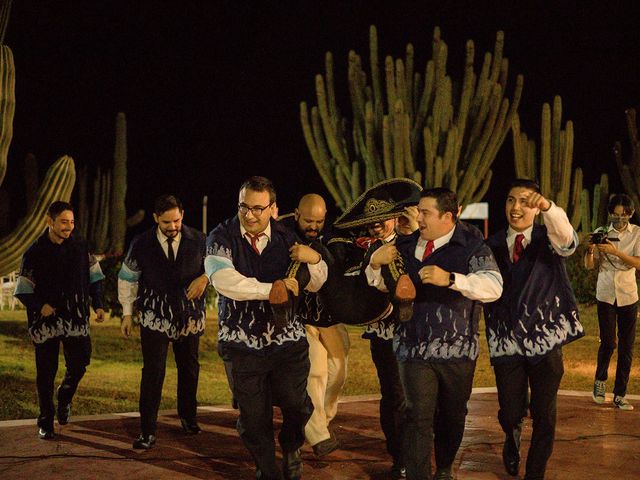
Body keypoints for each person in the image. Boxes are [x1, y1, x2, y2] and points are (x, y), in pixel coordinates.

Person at [367, 187, 503, 480]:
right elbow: (381, 285)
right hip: (412, 349)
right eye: (418, 211)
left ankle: (443, 467)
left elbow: (494, 286)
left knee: (452, 416)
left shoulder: (471, 245)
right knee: (417, 416)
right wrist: (375, 265)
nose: (419, 218)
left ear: (448, 216)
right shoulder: (403, 247)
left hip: (457, 352)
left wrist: (451, 279)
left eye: (425, 212)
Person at [205, 176, 325, 480]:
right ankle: (266, 465)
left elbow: (317, 280)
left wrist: (316, 260)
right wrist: (271, 289)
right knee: (254, 416)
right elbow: (222, 280)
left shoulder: (289, 238)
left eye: (258, 208)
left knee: (297, 407)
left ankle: (291, 445)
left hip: (288, 343)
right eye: (244, 207)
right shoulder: (221, 236)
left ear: (273, 208)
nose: (250, 215)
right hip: (242, 345)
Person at [484, 179, 584, 480]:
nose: (516, 208)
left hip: (545, 345)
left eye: (525, 201)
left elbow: (569, 239)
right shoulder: (491, 245)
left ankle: (535, 473)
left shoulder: (549, 239)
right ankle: (511, 437)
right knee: (511, 411)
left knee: (545, 416)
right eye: (511, 200)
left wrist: (549, 208)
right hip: (507, 344)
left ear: (536, 208)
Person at [329, 178, 421, 479]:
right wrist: (372, 261)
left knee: (423, 397)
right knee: (394, 395)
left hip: (422, 334)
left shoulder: (414, 244)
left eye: (382, 219)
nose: (377, 226)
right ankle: (400, 457)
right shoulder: (357, 250)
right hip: (385, 336)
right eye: (371, 222)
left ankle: (423, 452)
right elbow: (352, 287)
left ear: (395, 218)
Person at [118, 194, 209, 449]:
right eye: (166, 222)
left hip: (189, 317)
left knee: (189, 368)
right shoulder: (141, 242)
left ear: (182, 215)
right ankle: (147, 431)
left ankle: (188, 418)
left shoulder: (200, 240)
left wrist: (205, 279)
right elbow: (128, 277)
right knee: (153, 372)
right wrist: (127, 313)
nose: (172, 227)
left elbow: (217, 266)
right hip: (154, 317)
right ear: (156, 218)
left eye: (177, 221)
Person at [14, 201, 105, 440]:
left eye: (72, 222)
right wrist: (39, 305)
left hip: (76, 318)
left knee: (80, 362)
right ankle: (46, 421)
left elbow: (95, 277)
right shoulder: (34, 252)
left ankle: (64, 396)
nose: (69, 227)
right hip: (46, 323)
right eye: (64, 222)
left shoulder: (81, 246)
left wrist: (98, 304)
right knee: (46, 372)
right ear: (49, 221)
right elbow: (23, 289)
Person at [280, 193, 350, 457]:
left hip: (331, 319)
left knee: (338, 372)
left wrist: (315, 255)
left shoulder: (333, 235)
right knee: (316, 372)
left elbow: (336, 269)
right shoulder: (283, 234)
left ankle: (322, 419)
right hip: (300, 320)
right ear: (296, 214)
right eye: (309, 220)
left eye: (319, 221)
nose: (314, 226)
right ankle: (319, 436)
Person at [584, 193, 640, 411]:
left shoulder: (637, 234)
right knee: (608, 342)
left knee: (627, 347)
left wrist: (615, 252)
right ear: (610, 214)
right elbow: (589, 265)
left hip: (628, 295)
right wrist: (590, 251)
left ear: (631, 213)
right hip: (606, 293)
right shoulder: (601, 232)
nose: (620, 220)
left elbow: (638, 263)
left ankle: (620, 394)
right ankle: (600, 381)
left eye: (624, 215)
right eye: (615, 215)